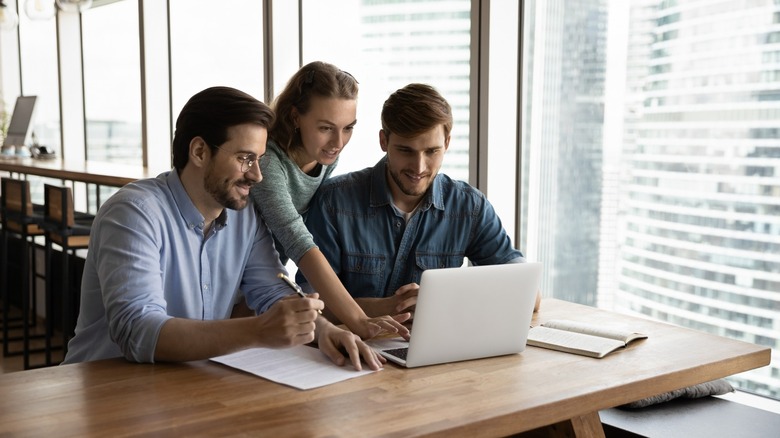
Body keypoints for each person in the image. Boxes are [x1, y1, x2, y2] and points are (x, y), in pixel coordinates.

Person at [62, 86, 383, 371]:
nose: (257, 175)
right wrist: (257, 330)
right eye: (245, 158)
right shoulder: (133, 212)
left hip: (187, 386)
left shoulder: (244, 217)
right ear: (200, 151)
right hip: (105, 391)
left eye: (259, 159)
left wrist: (324, 329)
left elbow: (272, 292)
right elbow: (137, 332)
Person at [302, 83, 540, 319]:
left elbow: (530, 295)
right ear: (384, 141)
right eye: (406, 150)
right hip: (355, 350)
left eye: (431, 151)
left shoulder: (469, 207)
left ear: (447, 143)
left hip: (441, 350)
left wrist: (442, 301)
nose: (419, 167)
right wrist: (392, 307)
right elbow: (313, 305)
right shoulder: (333, 201)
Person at [249, 61, 409, 340]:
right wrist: (358, 320)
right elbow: (298, 241)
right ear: (295, 117)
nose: (338, 141)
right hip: (236, 284)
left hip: (263, 287)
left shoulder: (324, 157)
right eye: (326, 128)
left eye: (348, 128)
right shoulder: (268, 162)